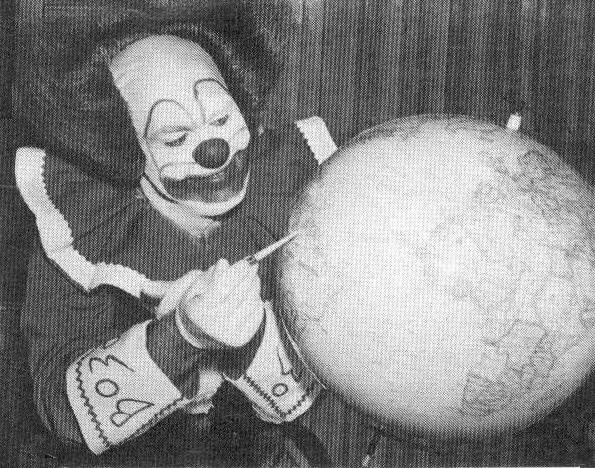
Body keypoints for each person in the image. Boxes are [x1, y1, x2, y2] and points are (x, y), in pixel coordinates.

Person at [13, 3, 337, 463]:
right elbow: (58, 408)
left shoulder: (298, 192)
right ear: (126, 147)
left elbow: (330, 383)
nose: (214, 150)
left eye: (221, 120)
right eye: (174, 138)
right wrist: (181, 337)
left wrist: (254, 341)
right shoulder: (79, 229)